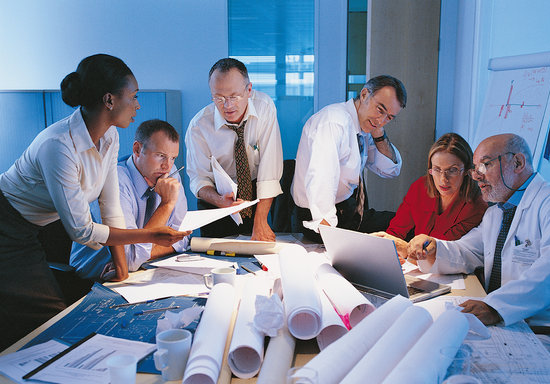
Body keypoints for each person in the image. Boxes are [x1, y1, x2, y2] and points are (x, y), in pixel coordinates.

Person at [0, 54, 190, 349]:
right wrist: (150, 235)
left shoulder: (110, 136)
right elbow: (82, 231)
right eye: (133, 96)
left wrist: (122, 272)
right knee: (48, 320)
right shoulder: (58, 146)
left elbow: (110, 207)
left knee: (44, 324)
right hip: (7, 224)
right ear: (109, 100)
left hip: (32, 228)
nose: (138, 105)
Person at [407, 133, 550, 376]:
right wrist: (434, 248)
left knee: (466, 372)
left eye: (485, 165)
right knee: (439, 355)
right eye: (475, 167)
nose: (476, 175)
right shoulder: (497, 212)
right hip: (511, 323)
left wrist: (495, 307)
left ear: (517, 163)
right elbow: (468, 250)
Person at [291, 75, 406, 242]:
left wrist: (378, 132)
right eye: (380, 110)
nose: (381, 120)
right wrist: (328, 234)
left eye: (389, 117)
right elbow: (322, 176)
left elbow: (390, 169)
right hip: (320, 216)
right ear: (364, 94)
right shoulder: (334, 121)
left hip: (348, 210)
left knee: (406, 223)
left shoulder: (365, 127)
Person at [70, 119, 189, 280]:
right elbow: (130, 259)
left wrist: (141, 255)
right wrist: (166, 204)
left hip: (144, 270)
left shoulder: (169, 173)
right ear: (137, 149)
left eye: (173, 158)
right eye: (160, 156)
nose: (167, 166)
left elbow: (182, 238)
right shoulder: (114, 182)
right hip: (93, 280)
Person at [185, 58, 283, 241]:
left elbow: (269, 169)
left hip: (255, 193)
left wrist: (261, 220)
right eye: (219, 98)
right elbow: (199, 178)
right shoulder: (199, 126)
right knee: (217, 253)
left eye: (234, 96)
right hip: (217, 198)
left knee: (257, 246)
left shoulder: (264, 107)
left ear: (249, 90)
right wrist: (219, 200)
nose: (227, 105)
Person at [373, 133, 487, 259]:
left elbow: (441, 252)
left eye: (452, 170)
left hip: (449, 266)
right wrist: (390, 251)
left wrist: (403, 248)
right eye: (437, 169)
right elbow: (395, 232)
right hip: (417, 261)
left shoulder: (476, 206)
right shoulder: (420, 187)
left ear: (466, 170)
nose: (443, 180)